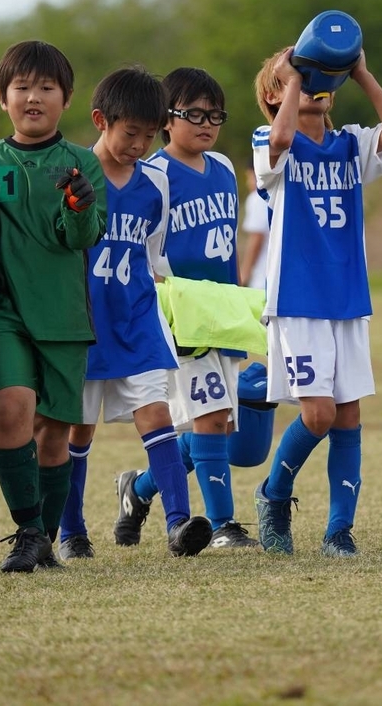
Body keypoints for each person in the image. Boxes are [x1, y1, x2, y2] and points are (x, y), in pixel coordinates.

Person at [0, 40, 105, 573]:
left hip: (63, 315)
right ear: (2, 97)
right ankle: (28, 531)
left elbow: (83, 236)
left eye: (46, 88)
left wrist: (78, 206)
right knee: (11, 411)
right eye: (22, 87)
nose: (34, 97)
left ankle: (44, 539)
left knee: (52, 434)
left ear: (66, 99)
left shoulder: (81, 164)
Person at [249, 46, 382, 556]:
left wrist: (359, 72)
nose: (308, 82)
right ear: (273, 96)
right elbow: (280, 138)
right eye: (291, 78)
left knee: (348, 416)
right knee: (317, 414)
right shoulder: (268, 141)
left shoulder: (349, 144)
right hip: (298, 299)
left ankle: (339, 530)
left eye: (317, 76)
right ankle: (274, 493)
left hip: (347, 296)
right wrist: (293, 78)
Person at [59, 65, 212, 559]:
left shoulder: (156, 184)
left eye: (149, 135)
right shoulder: (73, 173)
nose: (140, 145)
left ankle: (178, 523)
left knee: (157, 413)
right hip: (83, 322)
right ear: (101, 120)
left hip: (137, 318)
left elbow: (151, 255)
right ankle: (71, 531)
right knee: (77, 428)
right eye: (130, 133)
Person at [112, 67, 263, 551]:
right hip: (183, 314)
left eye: (215, 115)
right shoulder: (154, 173)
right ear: (166, 118)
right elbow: (144, 247)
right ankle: (223, 526)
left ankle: (138, 489)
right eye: (193, 114)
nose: (206, 124)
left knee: (217, 425)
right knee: (211, 417)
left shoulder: (222, 165)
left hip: (224, 308)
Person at [238, 165, 269, 290]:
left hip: (263, 278)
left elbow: (256, 239)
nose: (247, 182)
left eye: (249, 177)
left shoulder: (258, 198)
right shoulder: (284, 194)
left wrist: (243, 275)